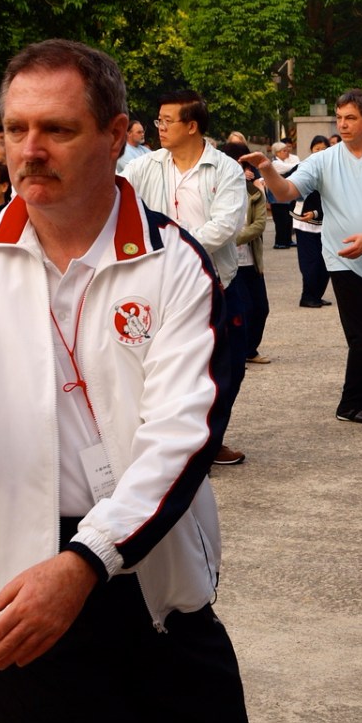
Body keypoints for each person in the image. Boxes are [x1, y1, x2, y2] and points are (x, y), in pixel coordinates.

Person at [0, 39, 258, 723]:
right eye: (15, 129)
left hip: (152, 574)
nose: (29, 150)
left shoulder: (172, 264)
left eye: (57, 129)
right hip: (18, 592)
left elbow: (182, 437)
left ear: (117, 134)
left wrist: (88, 560)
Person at [249, 89, 362, 424]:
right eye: (340, 118)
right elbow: (286, 192)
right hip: (344, 259)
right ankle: (353, 405)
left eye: (351, 118)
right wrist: (268, 170)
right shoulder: (323, 160)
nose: (343, 124)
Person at [124, 90, 248, 465]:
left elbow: (226, 225)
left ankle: (210, 441)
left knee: (227, 367)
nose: (159, 127)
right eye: (158, 120)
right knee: (166, 367)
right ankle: (171, 445)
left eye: (167, 121)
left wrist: (177, 248)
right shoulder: (144, 166)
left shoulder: (224, 169)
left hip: (215, 282)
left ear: (192, 126)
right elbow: (117, 200)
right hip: (159, 285)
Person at [223, 142, 272, 366]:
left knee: (261, 308)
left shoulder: (253, 192)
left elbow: (259, 225)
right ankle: (237, 351)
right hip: (228, 262)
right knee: (243, 308)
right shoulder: (216, 190)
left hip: (251, 260)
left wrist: (231, 238)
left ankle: (250, 350)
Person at [292, 134, 332, 308]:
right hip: (305, 223)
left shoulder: (334, 170)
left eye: (324, 149)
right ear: (311, 150)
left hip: (326, 222)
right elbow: (290, 187)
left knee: (325, 263)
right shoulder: (303, 167)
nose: (320, 152)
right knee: (311, 262)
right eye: (317, 149)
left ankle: (317, 295)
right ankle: (307, 296)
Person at [269, 140, 298, 249]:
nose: (287, 152)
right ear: (277, 152)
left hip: (285, 195)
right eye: (284, 151)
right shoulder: (275, 163)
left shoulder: (283, 162)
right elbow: (289, 167)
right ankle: (280, 242)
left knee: (288, 219)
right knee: (281, 219)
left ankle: (287, 240)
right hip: (276, 196)